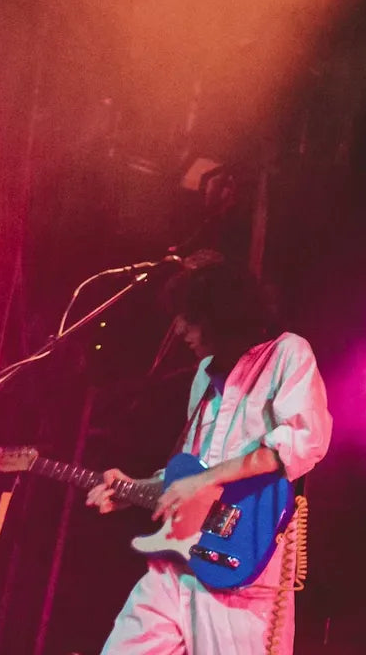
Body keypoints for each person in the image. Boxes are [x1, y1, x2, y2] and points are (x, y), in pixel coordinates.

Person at [87, 253, 332, 655]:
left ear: (220, 314)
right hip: (176, 563)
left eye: (189, 317)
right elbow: (192, 469)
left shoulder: (287, 354)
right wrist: (134, 488)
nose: (179, 328)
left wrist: (205, 479)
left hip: (243, 571)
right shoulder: (203, 377)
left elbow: (304, 441)